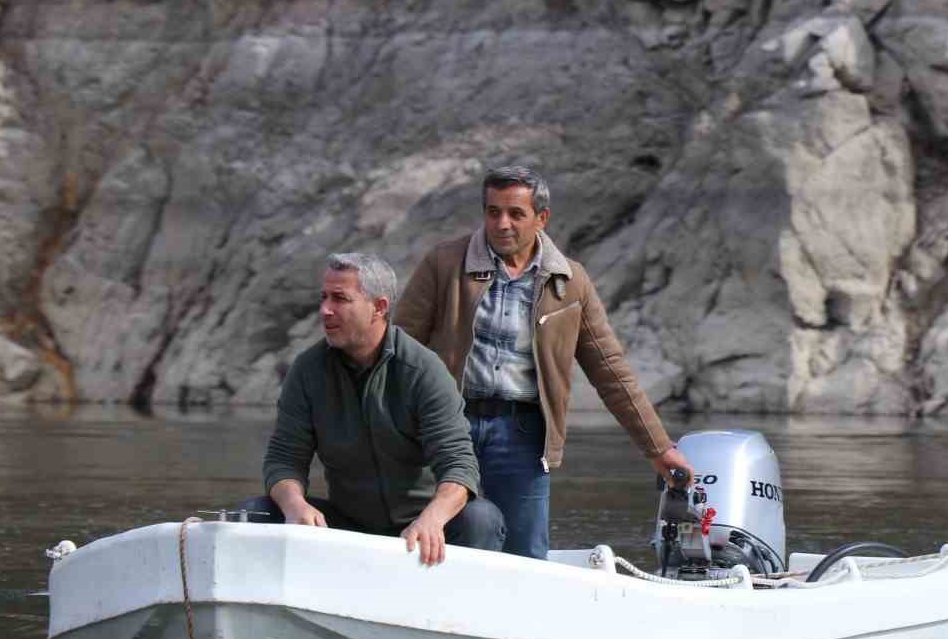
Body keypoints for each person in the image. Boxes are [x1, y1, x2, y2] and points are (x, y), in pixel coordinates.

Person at [394, 165, 692, 560]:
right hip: (446, 422)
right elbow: (399, 347)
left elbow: (610, 370)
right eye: (493, 211)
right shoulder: (445, 263)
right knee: (428, 534)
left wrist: (657, 448)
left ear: (541, 218)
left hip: (523, 433)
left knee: (527, 554)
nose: (502, 224)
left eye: (515, 214)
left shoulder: (570, 282)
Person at [241, 252, 505, 565]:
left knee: (482, 519)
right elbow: (284, 460)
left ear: (379, 308)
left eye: (340, 299)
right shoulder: (306, 371)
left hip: (420, 526)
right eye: (323, 297)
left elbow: (459, 467)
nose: (325, 310)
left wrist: (432, 520)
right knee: (255, 513)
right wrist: (295, 505)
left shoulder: (423, 370)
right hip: (348, 527)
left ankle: (459, 608)